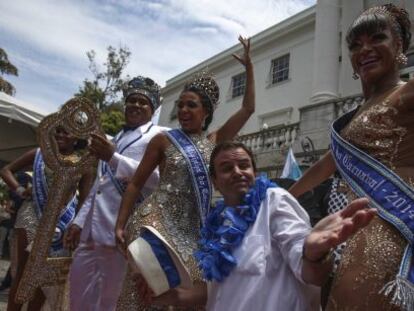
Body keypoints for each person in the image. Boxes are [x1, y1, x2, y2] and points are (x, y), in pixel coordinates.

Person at [133, 141, 376, 311]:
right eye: (227, 168)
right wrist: (165, 298)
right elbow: (216, 292)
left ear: (254, 172)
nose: (238, 172)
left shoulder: (274, 201)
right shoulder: (215, 226)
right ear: (215, 182)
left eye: (244, 165)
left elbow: (310, 271)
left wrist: (313, 254)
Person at [115, 36, 255, 310]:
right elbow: (135, 185)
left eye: (191, 105)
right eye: (180, 105)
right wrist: (120, 223)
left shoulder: (215, 141)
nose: (183, 110)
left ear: (206, 112)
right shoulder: (163, 140)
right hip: (155, 223)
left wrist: (249, 68)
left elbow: (248, 108)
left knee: (186, 299)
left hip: (193, 231)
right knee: (140, 297)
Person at [289, 4, 414, 310]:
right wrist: (282, 196)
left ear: (399, 46)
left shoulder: (408, 93)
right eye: (356, 45)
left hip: (397, 228)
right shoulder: (355, 115)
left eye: (377, 38)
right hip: (354, 229)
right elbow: (328, 162)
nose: (365, 50)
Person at [66, 76, 168, 311]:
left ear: (152, 109)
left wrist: (113, 157)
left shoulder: (159, 136)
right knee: (78, 295)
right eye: (132, 101)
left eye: (143, 102)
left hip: (121, 230)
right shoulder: (115, 137)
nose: (136, 105)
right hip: (91, 230)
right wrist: (79, 220)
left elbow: (156, 180)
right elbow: (99, 185)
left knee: (110, 301)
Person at [0, 124, 94, 311]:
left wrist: (76, 226)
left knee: (45, 278)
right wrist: (19, 189)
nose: (60, 134)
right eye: (57, 130)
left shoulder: (84, 165)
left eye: (65, 131)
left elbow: (85, 201)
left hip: (61, 224)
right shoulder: (39, 154)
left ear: (76, 138)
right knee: (23, 274)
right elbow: (6, 170)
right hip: (31, 216)